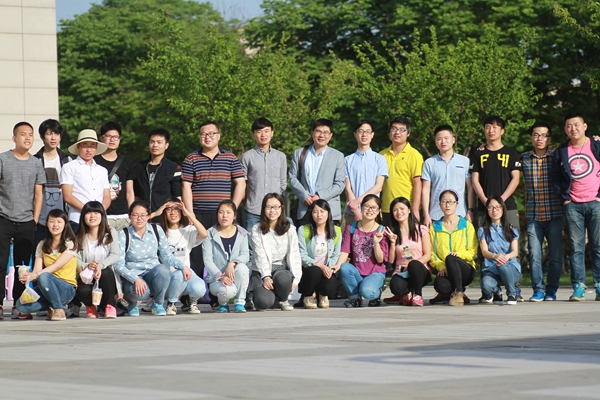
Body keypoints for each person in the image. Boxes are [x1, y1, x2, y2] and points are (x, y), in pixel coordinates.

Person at [182, 121, 245, 297]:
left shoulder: (230, 158)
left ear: (218, 136)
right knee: (195, 256)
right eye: (203, 134)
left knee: (220, 256)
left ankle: (219, 296)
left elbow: (240, 183)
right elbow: (186, 186)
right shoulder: (191, 158)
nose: (207, 137)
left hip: (222, 216)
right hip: (198, 214)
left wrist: (232, 209)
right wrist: (190, 214)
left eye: (211, 134)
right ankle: (192, 298)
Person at [470, 115, 521, 301]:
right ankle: (490, 290)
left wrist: (500, 201)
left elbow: (516, 178)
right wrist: (486, 201)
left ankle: (515, 290)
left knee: (512, 245)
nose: (491, 130)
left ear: (502, 131)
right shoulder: (478, 154)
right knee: (485, 246)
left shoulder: (511, 153)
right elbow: (475, 180)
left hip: (508, 206)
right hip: (484, 207)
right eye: (487, 127)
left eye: (495, 127)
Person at [551, 112, 600, 301]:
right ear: (565, 129)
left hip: (595, 203)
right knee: (576, 248)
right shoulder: (562, 151)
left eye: (577, 124)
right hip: (573, 205)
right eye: (569, 125)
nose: (573, 128)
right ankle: (579, 286)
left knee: (598, 247)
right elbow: (555, 177)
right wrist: (564, 198)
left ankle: (599, 285)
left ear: (585, 126)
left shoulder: (596, 145)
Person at [0, 122, 46, 320]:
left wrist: (35, 219)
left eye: (30, 135)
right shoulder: (3, 159)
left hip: (27, 221)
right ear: (14, 138)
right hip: (3, 218)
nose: (27, 138)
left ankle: (18, 305)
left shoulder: (36, 163)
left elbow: (39, 194)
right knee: (0, 264)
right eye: (23, 134)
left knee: (23, 267)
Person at [114, 200, 186, 316]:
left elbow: (167, 255)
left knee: (163, 270)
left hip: (152, 274)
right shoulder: (124, 234)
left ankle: (158, 303)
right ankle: (133, 303)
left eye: (143, 215)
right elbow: (118, 265)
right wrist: (135, 279)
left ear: (148, 216)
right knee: (140, 293)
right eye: (135, 215)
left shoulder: (156, 230)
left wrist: (183, 266)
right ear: (130, 217)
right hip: (133, 276)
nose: (139, 219)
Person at [521, 121, 563, 301]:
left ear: (549, 139)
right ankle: (538, 289)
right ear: (531, 138)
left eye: (544, 135)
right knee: (534, 255)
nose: (540, 138)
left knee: (555, 256)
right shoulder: (523, 158)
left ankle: (551, 290)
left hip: (555, 213)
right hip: (533, 214)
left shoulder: (557, 156)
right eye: (536, 135)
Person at [15, 209, 78, 321]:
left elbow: (56, 266)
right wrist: (28, 277)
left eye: (59, 222)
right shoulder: (42, 245)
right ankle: (53, 306)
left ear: (65, 224)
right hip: (47, 288)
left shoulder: (70, 243)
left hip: (66, 288)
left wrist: (36, 275)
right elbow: (36, 271)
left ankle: (59, 309)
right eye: (52, 221)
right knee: (20, 305)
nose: (55, 225)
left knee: (44, 276)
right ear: (47, 224)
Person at [333, 194, 388, 308]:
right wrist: (338, 265)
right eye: (366, 206)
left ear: (378, 211)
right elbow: (345, 251)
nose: (369, 210)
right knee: (344, 268)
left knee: (367, 292)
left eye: (373, 207)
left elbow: (380, 259)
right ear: (361, 208)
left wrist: (376, 242)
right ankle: (355, 298)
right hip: (357, 271)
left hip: (375, 272)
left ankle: (376, 291)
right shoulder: (351, 228)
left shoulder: (382, 230)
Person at [249, 193, 302, 311]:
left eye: (276, 207)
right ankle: (271, 298)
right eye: (268, 207)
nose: (272, 210)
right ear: (263, 209)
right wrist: (266, 277)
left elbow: (295, 255)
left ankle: (283, 299)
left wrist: (296, 280)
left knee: (283, 279)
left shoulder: (290, 229)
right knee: (262, 302)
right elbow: (260, 256)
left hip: (281, 269)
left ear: (281, 208)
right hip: (261, 271)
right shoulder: (256, 229)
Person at [289, 118, 345, 226]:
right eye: (318, 131)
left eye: (325, 132)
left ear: (331, 135)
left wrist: (320, 196)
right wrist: (304, 195)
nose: (321, 135)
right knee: (303, 236)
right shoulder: (299, 153)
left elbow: (340, 184)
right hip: (305, 208)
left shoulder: (338, 156)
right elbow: (292, 178)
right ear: (312, 133)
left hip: (328, 209)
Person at [158, 198, 208, 315]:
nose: (173, 212)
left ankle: (191, 301)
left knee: (199, 288)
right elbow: (141, 221)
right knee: (178, 274)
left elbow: (204, 234)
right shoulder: (158, 230)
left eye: (177, 209)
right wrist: (156, 213)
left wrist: (189, 214)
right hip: (167, 277)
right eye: (168, 209)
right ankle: (171, 303)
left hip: (186, 274)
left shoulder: (188, 230)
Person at [429, 190, 478, 306]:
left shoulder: (466, 225)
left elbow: (472, 251)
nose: (447, 205)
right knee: (440, 285)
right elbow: (432, 253)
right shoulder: (435, 227)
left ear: (457, 204)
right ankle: (451, 293)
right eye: (444, 202)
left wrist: (458, 255)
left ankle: (459, 293)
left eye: (451, 202)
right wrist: (441, 266)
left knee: (451, 257)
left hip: (465, 268)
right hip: (445, 269)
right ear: (440, 205)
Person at [422, 125, 474, 227]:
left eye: (446, 138)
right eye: (439, 139)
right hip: (436, 215)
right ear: (435, 142)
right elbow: (425, 190)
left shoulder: (464, 161)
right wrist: (426, 215)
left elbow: (470, 187)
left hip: (460, 214)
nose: (443, 142)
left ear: (453, 140)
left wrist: (470, 210)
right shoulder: (429, 163)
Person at [203, 200, 250, 313]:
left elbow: (245, 254)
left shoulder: (242, 233)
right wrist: (220, 276)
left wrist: (232, 263)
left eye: (228, 212)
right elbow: (207, 260)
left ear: (234, 216)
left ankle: (240, 303)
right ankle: (223, 304)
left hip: (234, 274)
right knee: (226, 291)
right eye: (221, 212)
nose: (224, 216)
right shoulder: (209, 233)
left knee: (243, 268)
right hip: (216, 278)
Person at [240, 117, 287, 231]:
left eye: (266, 131)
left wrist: (275, 203)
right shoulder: (247, 157)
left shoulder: (280, 156)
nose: (263, 135)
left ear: (272, 133)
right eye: (259, 131)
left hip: (275, 212)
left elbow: (282, 183)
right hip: (253, 211)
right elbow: (242, 184)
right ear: (253, 134)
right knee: (251, 241)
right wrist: (248, 202)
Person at [74, 201, 120, 318]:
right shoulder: (78, 236)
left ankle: (110, 306)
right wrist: (87, 266)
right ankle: (90, 306)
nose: (92, 216)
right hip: (87, 275)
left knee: (106, 273)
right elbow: (75, 259)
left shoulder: (111, 233)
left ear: (102, 215)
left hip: (106, 277)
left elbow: (115, 254)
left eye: (96, 213)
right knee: (82, 291)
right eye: (88, 213)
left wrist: (100, 265)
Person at [61, 129, 111, 231]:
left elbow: (106, 196)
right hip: (77, 219)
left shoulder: (102, 170)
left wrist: (99, 212)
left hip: (100, 220)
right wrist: (88, 211)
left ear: (96, 148)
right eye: (85, 145)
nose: (89, 150)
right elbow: (67, 196)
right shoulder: (69, 167)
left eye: (92, 146)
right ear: (78, 146)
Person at [342, 120, 388, 231]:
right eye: (361, 131)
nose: (364, 134)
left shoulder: (380, 159)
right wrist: (356, 211)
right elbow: (347, 188)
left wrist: (358, 202)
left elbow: (378, 187)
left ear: (372, 135)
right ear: (355, 134)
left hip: (373, 212)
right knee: (348, 241)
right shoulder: (347, 160)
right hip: (351, 213)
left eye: (368, 132)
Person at [297, 199, 342, 309]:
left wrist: (329, 269)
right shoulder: (303, 230)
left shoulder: (336, 231)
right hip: (309, 269)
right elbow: (301, 255)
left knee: (330, 287)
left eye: (322, 211)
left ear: (328, 213)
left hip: (327, 268)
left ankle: (322, 295)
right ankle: (308, 295)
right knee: (315, 271)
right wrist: (320, 266)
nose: (319, 215)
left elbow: (336, 254)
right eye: (315, 212)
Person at [387, 197, 432, 307]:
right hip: (401, 272)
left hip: (419, 270)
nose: (399, 212)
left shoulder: (421, 229)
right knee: (395, 286)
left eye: (402, 209)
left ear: (409, 210)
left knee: (414, 265)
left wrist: (412, 265)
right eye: (395, 210)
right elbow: (391, 260)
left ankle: (418, 295)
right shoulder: (392, 232)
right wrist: (392, 242)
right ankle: (407, 294)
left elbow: (427, 255)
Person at [33, 119, 71, 247]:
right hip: (40, 221)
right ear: (42, 137)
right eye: (49, 134)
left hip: (62, 220)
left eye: (56, 134)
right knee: (38, 253)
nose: (53, 138)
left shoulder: (67, 161)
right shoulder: (35, 161)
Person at [379, 115, 423, 224]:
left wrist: (415, 209)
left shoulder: (414, 155)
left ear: (408, 134)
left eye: (402, 130)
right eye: (394, 129)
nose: (397, 132)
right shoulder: (381, 155)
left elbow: (418, 183)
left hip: (406, 209)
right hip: (386, 209)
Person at [478, 196, 521, 305]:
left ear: (503, 209)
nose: (494, 210)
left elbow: (515, 252)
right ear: (487, 210)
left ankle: (511, 294)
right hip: (492, 268)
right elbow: (484, 251)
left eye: (498, 207)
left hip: (510, 267)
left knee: (502, 265)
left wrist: (506, 257)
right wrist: (495, 256)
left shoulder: (512, 229)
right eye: (491, 207)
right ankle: (497, 291)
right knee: (486, 286)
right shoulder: (482, 230)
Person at [95, 121, 136, 231]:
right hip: (102, 215)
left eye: (116, 137)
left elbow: (129, 192)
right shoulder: (94, 161)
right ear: (102, 138)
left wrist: (132, 213)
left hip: (123, 217)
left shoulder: (127, 162)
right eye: (108, 136)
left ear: (119, 139)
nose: (112, 140)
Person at [133, 128, 182, 220]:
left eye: (159, 142)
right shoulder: (139, 166)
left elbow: (177, 195)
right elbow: (136, 194)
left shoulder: (173, 168)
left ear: (166, 145)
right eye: (152, 142)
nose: (155, 145)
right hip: (142, 218)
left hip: (164, 218)